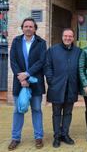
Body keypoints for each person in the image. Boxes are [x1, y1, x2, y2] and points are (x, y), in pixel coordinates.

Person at [8, 17, 47, 150]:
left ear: (35, 28)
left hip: (35, 82)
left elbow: (41, 61)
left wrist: (28, 74)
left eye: (31, 26)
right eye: (26, 26)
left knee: (36, 110)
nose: (28, 28)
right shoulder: (16, 41)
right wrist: (21, 77)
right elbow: (13, 60)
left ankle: (38, 137)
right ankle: (15, 138)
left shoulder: (41, 43)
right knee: (18, 110)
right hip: (19, 82)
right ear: (22, 27)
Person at [44, 28, 81, 148]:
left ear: (73, 38)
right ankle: (57, 136)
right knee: (56, 113)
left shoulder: (78, 51)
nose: (68, 38)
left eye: (70, 36)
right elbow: (47, 66)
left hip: (71, 86)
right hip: (57, 87)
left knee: (68, 113)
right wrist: (51, 81)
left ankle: (65, 134)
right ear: (62, 37)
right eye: (66, 36)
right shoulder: (53, 50)